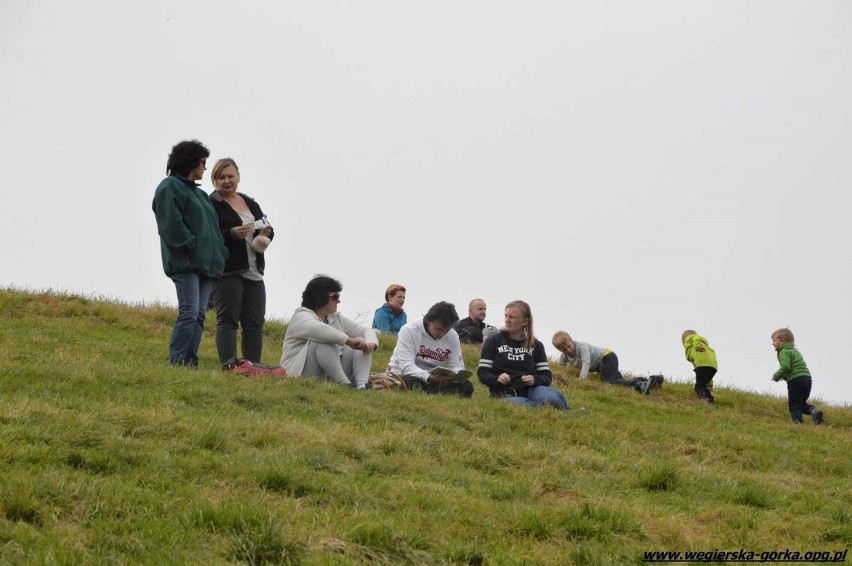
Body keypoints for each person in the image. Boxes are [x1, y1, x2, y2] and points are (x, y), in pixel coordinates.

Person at [152, 139, 226, 367]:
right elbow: (169, 224)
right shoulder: (168, 187)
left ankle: (190, 362)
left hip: (205, 265)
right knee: (189, 312)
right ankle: (176, 361)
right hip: (186, 263)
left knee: (200, 315)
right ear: (191, 162)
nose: (205, 167)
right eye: (203, 162)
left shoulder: (201, 196)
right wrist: (189, 244)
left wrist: (220, 253)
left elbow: (212, 230)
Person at [208, 158, 274, 365]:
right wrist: (231, 234)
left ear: (238, 177)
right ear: (215, 180)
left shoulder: (250, 202)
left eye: (230, 176)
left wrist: (267, 233)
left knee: (254, 323)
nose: (227, 181)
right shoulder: (212, 204)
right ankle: (229, 365)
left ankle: (252, 367)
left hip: (255, 271)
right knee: (227, 319)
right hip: (228, 270)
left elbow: (267, 226)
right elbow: (208, 235)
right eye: (221, 177)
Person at [280, 275, 378, 389]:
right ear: (320, 297)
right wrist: (348, 340)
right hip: (298, 373)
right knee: (323, 341)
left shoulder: (334, 317)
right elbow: (318, 329)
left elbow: (365, 330)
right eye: (335, 297)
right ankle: (345, 385)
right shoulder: (301, 316)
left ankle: (362, 386)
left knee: (361, 341)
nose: (339, 301)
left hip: (327, 375)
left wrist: (371, 343)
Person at [478, 301, 569, 409]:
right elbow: (482, 373)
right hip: (504, 394)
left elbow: (546, 376)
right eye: (506, 316)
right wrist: (497, 379)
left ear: (525, 321)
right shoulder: (493, 341)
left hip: (532, 390)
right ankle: (542, 412)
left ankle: (571, 415)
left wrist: (534, 380)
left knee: (553, 398)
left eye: (512, 317)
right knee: (528, 407)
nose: (507, 320)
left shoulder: (536, 345)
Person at [388, 301, 474, 397]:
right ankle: (435, 392)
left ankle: (432, 392)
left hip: (435, 379)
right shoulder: (409, 330)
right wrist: (429, 377)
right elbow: (406, 366)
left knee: (466, 386)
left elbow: (458, 365)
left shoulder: (453, 335)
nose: (442, 334)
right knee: (408, 381)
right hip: (406, 375)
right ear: (429, 320)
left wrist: (454, 376)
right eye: (439, 329)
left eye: (447, 330)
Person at [552, 331, 660, 394]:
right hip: (601, 365)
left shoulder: (582, 347)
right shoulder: (564, 356)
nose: (568, 350)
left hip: (607, 357)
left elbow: (586, 363)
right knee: (619, 383)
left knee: (609, 382)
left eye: (569, 346)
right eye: (564, 349)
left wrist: (581, 380)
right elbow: (560, 370)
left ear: (572, 341)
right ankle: (652, 381)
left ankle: (640, 384)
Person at [771, 328, 824, 424]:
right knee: (800, 404)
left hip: (795, 380)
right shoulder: (795, 351)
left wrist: (776, 376)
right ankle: (814, 412)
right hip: (807, 379)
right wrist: (786, 376)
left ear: (783, 340)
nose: (772, 343)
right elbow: (796, 366)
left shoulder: (784, 351)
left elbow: (786, 366)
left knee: (794, 405)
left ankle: (797, 424)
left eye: (774, 340)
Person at [681, 330, 717, 403]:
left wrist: (698, 346)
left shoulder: (692, 338)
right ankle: (709, 400)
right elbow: (698, 364)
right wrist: (710, 384)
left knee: (699, 386)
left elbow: (696, 338)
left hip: (703, 365)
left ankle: (704, 399)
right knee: (702, 384)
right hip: (712, 366)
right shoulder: (698, 350)